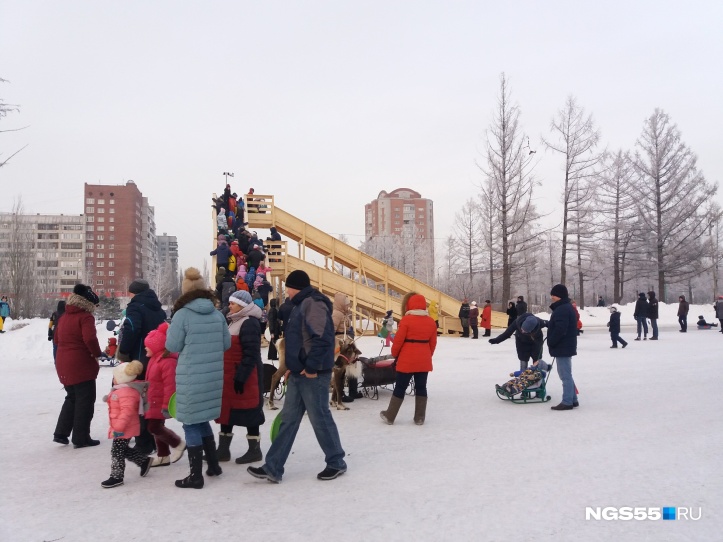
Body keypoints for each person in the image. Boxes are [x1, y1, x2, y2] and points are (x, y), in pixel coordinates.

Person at [247, 270, 347, 483]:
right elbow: (300, 340)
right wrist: (293, 364)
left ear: (295, 287)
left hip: (313, 374)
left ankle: (336, 461)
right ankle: (273, 466)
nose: (287, 291)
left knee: (320, 418)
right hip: (300, 373)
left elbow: (322, 339)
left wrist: (311, 366)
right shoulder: (301, 305)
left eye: (288, 288)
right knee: (288, 420)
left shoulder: (313, 304)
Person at [166, 267, 231, 489]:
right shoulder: (217, 314)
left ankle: (195, 476)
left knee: (191, 423)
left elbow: (172, 345)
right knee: (201, 419)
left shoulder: (182, 315)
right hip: (213, 377)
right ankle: (213, 465)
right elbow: (226, 344)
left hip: (191, 376)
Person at [117, 278, 167, 455]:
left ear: (133, 292)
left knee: (138, 401)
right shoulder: (158, 309)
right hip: (155, 359)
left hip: (138, 359)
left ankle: (144, 443)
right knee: (152, 400)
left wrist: (123, 350)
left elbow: (131, 328)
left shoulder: (135, 307)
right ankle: (156, 439)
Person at [216, 290, 266, 465]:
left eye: (233, 303)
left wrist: (242, 375)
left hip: (245, 375)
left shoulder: (249, 323)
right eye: (229, 303)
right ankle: (222, 450)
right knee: (227, 412)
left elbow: (251, 353)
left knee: (250, 411)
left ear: (243, 305)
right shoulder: (234, 321)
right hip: (231, 375)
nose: (229, 306)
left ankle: (254, 450)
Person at [53, 284, 103, 448]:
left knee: (72, 397)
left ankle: (61, 433)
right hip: (81, 364)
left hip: (63, 363)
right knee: (85, 400)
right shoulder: (85, 316)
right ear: (88, 302)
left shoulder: (64, 316)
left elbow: (57, 340)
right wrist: (97, 353)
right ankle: (81, 438)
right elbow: (89, 339)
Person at [380, 292, 437, 425]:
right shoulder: (431, 322)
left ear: (409, 305)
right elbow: (433, 343)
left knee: (400, 387)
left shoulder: (406, 320)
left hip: (407, 360)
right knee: (421, 387)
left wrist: (394, 353)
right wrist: (427, 356)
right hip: (423, 361)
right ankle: (420, 417)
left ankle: (390, 415)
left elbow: (398, 341)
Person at [100, 361, 153, 488]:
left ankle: (116, 476)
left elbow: (127, 411)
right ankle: (143, 461)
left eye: (115, 377)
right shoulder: (122, 390)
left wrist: (119, 426)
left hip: (124, 427)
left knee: (116, 451)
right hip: (122, 426)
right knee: (121, 449)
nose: (113, 379)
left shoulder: (126, 392)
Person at [143, 322, 185, 468]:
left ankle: (177, 443)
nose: (145, 347)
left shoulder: (167, 362)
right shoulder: (155, 359)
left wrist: (167, 405)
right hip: (153, 400)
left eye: (148, 345)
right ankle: (163, 456)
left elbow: (170, 386)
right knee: (157, 427)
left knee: (154, 427)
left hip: (160, 402)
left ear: (157, 346)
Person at [547, 284, 579, 411]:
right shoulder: (565, 307)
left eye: (553, 295)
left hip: (563, 346)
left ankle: (567, 402)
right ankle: (573, 399)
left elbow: (561, 329)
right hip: (565, 345)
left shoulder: (562, 309)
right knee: (567, 374)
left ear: (559, 296)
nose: (551, 297)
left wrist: (552, 341)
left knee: (565, 375)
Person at [332, 292, 359, 402]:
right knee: (341, 369)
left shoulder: (343, 314)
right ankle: (340, 394)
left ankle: (353, 390)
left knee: (352, 363)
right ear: (341, 304)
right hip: (340, 345)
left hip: (347, 342)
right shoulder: (336, 314)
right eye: (347, 304)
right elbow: (331, 330)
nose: (348, 306)